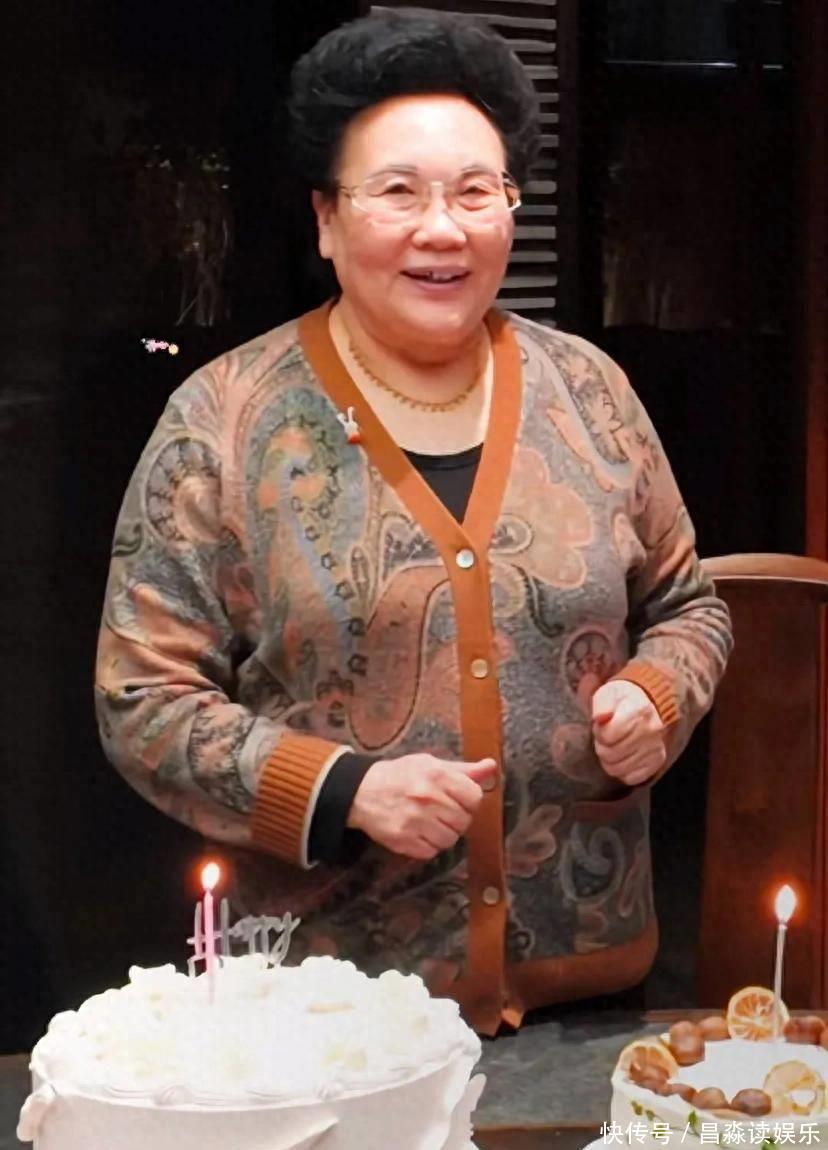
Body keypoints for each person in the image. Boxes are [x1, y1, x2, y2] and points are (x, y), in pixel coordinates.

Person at [95, 9, 733, 1035]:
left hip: (586, 992)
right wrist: (341, 789)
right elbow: (141, 699)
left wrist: (659, 694)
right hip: (329, 1010)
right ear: (327, 219)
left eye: (477, 192)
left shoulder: (590, 392)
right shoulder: (225, 420)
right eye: (398, 192)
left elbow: (688, 605)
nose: (444, 229)